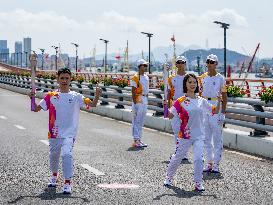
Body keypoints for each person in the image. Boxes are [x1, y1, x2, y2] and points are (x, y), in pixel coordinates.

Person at [29, 68, 102, 194]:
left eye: (66, 78)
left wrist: (97, 95)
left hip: (69, 133)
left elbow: (93, 104)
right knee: (54, 156)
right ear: (57, 79)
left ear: (70, 79)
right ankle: (54, 175)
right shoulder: (51, 96)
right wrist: (31, 99)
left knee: (66, 155)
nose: (64, 80)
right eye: (62, 78)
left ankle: (67, 182)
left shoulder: (76, 97)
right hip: (54, 133)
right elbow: (35, 109)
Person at [163, 73, 221, 191]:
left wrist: (219, 101)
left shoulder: (201, 101)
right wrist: (164, 106)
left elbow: (214, 111)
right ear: (185, 84)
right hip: (185, 135)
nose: (192, 84)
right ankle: (168, 177)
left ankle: (198, 182)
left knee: (199, 159)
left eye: (194, 82)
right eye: (190, 82)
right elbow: (168, 116)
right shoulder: (180, 101)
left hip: (199, 135)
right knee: (177, 157)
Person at [199, 54, 227, 173]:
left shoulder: (221, 78)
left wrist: (223, 113)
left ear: (216, 64)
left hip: (216, 106)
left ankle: (216, 163)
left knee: (217, 138)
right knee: (206, 137)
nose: (210, 64)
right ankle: (209, 162)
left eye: (212, 62)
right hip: (205, 107)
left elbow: (224, 97)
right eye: (208, 61)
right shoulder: (202, 77)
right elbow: (198, 95)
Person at [167, 56, 189, 161]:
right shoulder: (171, 78)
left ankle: (183, 153)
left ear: (185, 64)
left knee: (184, 129)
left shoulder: (189, 77)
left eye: (182, 62)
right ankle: (178, 151)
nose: (180, 64)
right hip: (175, 104)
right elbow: (168, 92)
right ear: (176, 64)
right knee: (176, 129)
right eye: (178, 62)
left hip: (186, 104)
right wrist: (167, 105)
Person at [130, 59, 149, 148]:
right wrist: (135, 102)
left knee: (141, 121)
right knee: (136, 121)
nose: (146, 67)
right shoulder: (135, 77)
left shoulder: (146, 76)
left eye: (146, 66)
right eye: (144, 65)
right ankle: (136, 140)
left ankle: (139, 139)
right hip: (138, 99)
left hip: (144, 98)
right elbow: (133, 91)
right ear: (139, 66)